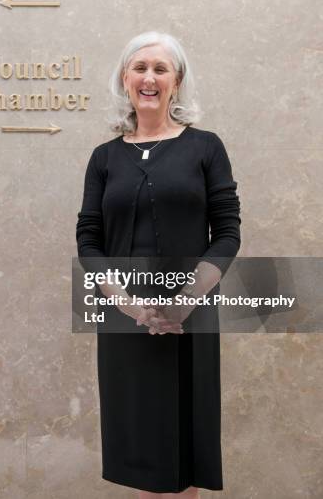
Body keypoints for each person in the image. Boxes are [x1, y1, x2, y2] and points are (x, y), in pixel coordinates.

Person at [76, 31, 241, 497]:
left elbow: (227, 232)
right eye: (140, 68)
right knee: (144, 459)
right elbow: (89, 239)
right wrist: (128, 305)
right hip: (125, 320)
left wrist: (184, 303)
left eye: (160, 69)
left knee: (184, 460)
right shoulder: (104, 158)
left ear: (177, 80)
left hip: (191, 318)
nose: (149, 77)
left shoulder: (206, 147)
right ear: (125, 79)